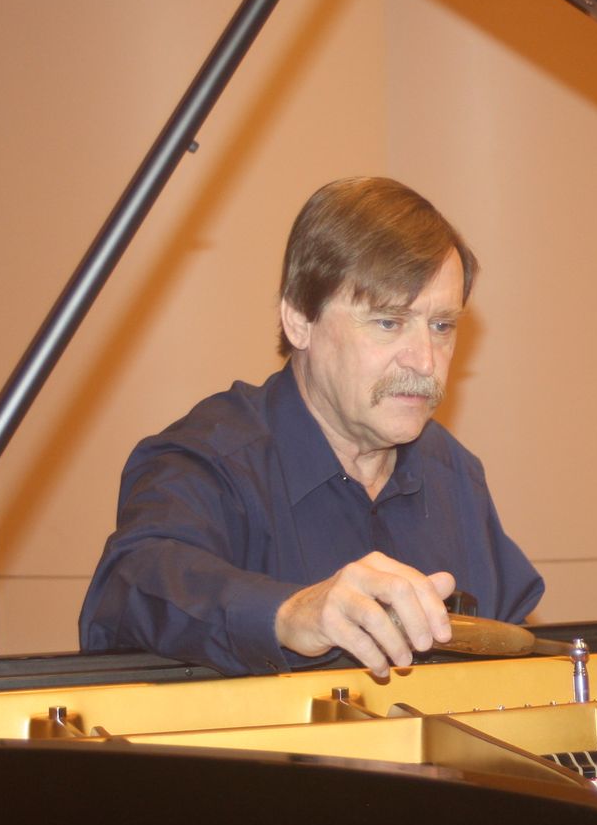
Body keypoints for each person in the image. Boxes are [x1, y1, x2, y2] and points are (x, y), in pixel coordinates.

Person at [80, 176, 543, 677]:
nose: (425, 361)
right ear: (299, 319)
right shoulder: (211, 457)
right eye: (388, 322)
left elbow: (516, 661)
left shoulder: (453, 473)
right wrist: (289, 614)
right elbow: (127, 591)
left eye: (441, 326)